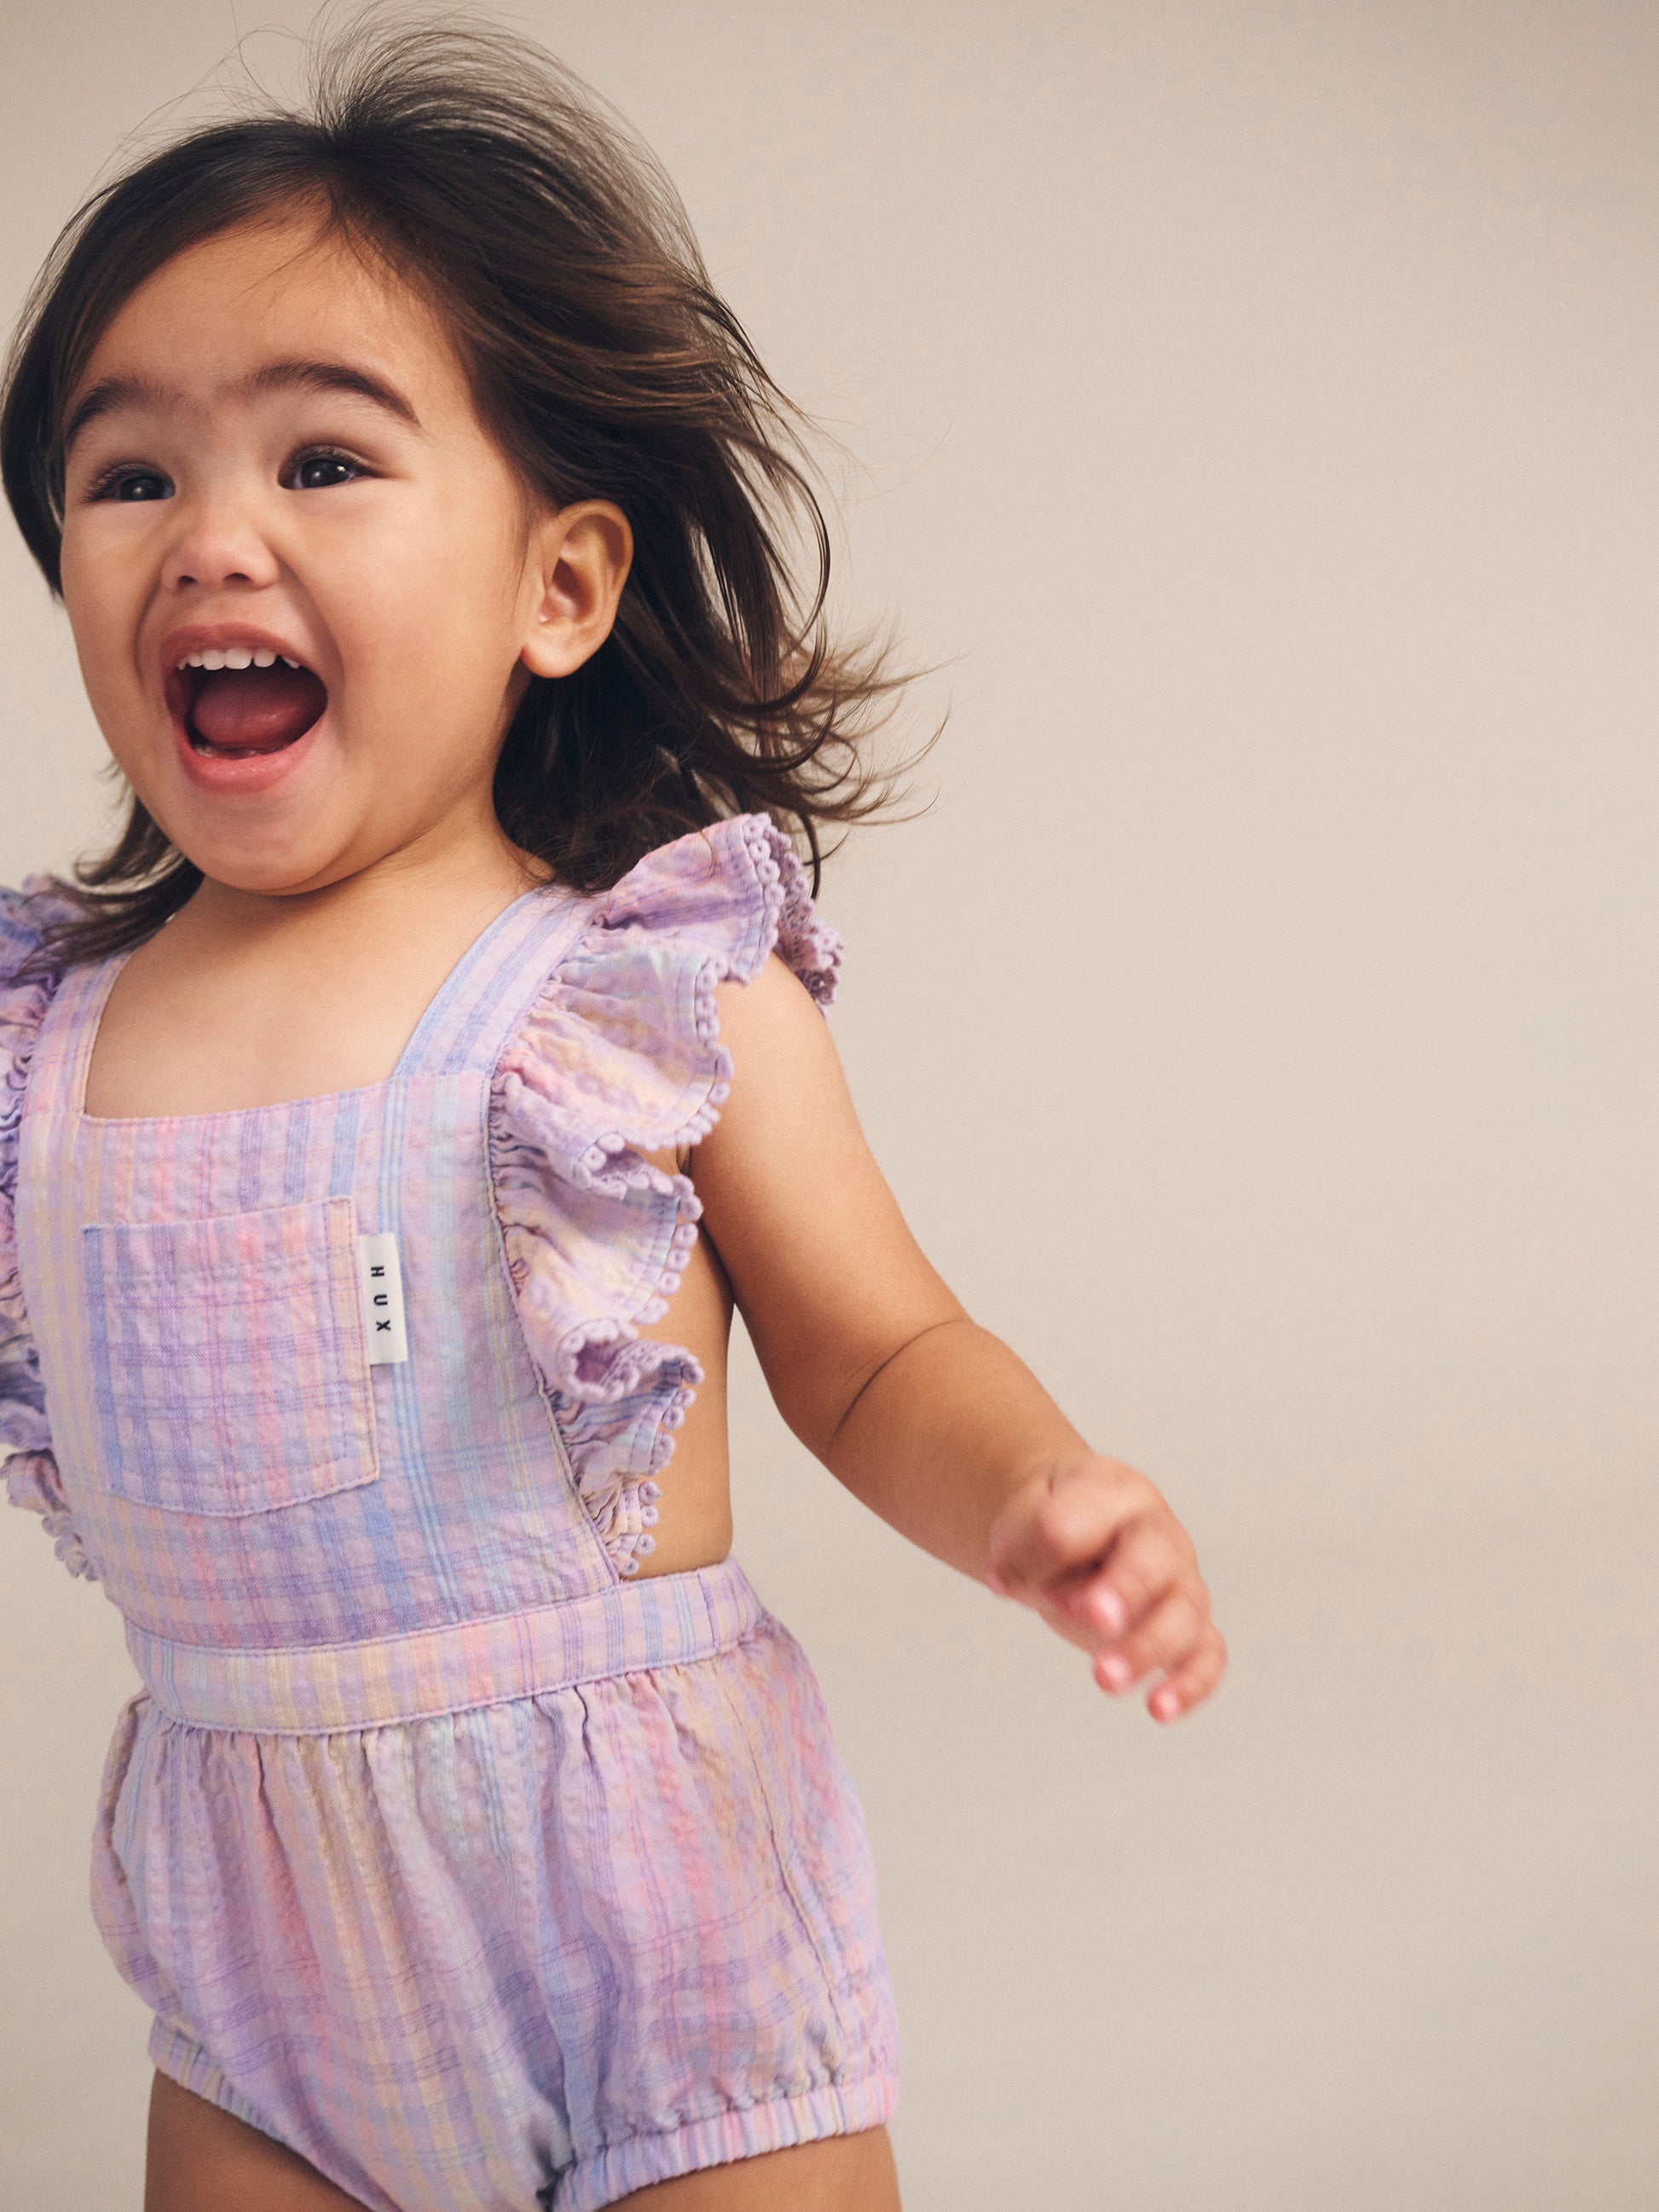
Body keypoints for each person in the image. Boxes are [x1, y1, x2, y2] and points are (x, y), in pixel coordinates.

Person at [0, 18, 1227, 2212]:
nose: (211, 540)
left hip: (659, 1929)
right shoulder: (52, 1048)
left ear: (558, 587)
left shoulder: (634, 994)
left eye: (322, 461)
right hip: (265, 1984)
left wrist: (1030, 1490)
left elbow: (876, 1351)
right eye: (129, 478)